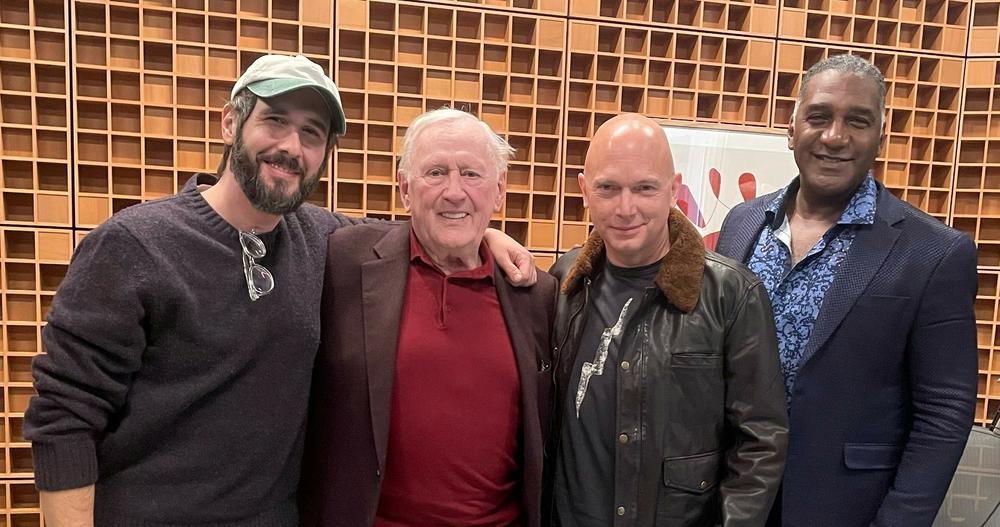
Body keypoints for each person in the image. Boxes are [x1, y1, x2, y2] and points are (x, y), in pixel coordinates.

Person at [24, 54, 535, 525]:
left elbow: (424, 226)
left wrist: (482, 232)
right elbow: (64, 418)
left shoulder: (327, 242)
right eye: (274, 121)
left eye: (311, 134)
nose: (291, 148)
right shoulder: (135, 244)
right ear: (230, 122)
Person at [715, 54, 979, 527]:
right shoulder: (742, 223)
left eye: (857, 121)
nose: (835, 137)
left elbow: (944, 413)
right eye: (819, 117)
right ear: (791, 127)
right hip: (733, 497)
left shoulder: (935, 253)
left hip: (846, 506)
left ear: (881, 133)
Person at [298, 108, 558, 527]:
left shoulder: (535, 294)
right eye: (435, 173)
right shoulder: (345, 259)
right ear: (405, 189)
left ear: (499, 190)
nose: (454, 191)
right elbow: (270, 215)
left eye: (472, 174)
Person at [548, 113, 787, 527]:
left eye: (644, 188)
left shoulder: (731, 294)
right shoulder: (563, 284)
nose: (626, 208)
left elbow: (760, 442)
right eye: (608, 188)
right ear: (584, 190)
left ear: (673, 190)